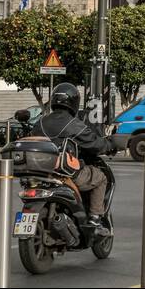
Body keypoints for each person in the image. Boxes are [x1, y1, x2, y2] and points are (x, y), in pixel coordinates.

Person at [34, 82, 114, 226]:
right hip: (65, 172)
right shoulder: (72, 124)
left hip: (40, 173)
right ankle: (95, 218)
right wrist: (110, 145)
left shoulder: (40, 122)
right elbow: (95, 144)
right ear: (74, 102)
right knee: (100, 178)